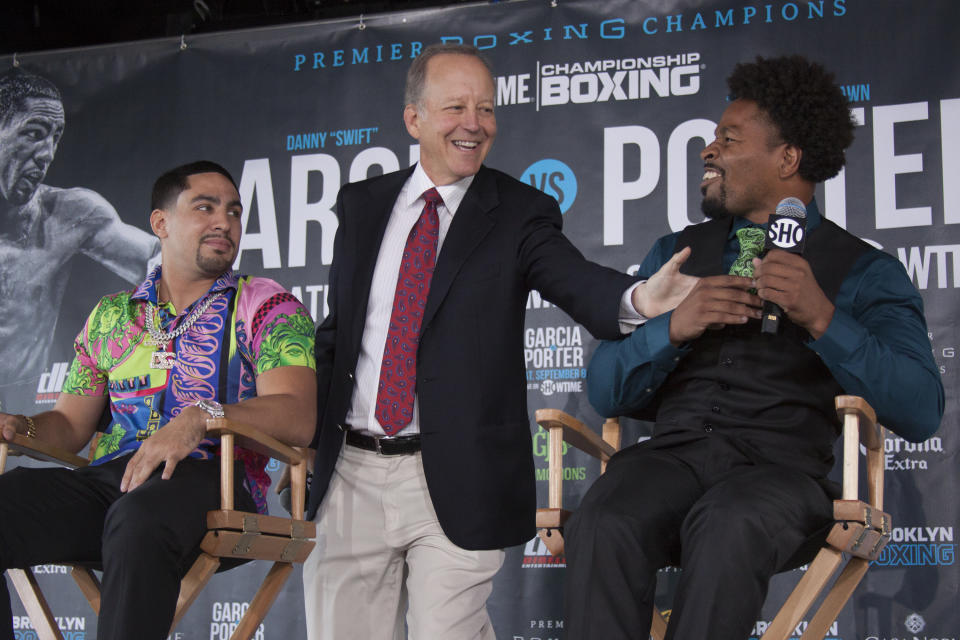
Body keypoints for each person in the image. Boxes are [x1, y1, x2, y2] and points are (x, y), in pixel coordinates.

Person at [303, 43, 694, 639]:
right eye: (455, 107)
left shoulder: (519, 211)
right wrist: (309, 442)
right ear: (414, 119)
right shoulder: (363, 207)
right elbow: (337, 336)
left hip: (460, 476)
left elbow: (576, 280)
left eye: (486, 109)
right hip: (350, 473)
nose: (475, 123)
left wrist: (639, 300)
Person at [563, 55, 945, 639]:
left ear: (787, 159)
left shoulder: (868, 272)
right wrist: (673, 327)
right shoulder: (677, 252)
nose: (707, 150)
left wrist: (822, 317)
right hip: (674, 458)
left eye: (728, 139)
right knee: (606, 515)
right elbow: (605, 388)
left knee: (729, 520)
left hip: (782, 476)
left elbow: (920, 409)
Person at [0, 160, 317, 640]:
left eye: (233, 212)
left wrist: (203, 417)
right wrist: (19, 427)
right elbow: (69, 425)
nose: (224, 222)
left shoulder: (266, 305)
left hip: (215, 482)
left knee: (139, 517)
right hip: (116, 479)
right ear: (160, 223)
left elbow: (297, 415)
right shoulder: (111, 316)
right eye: (205, 208)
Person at [0, 68, 160, 415]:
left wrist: (146, 342)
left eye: (55, 137)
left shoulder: (68, 215)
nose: (47, 154)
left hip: (31, 418)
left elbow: (165, 260)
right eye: (34, 133)